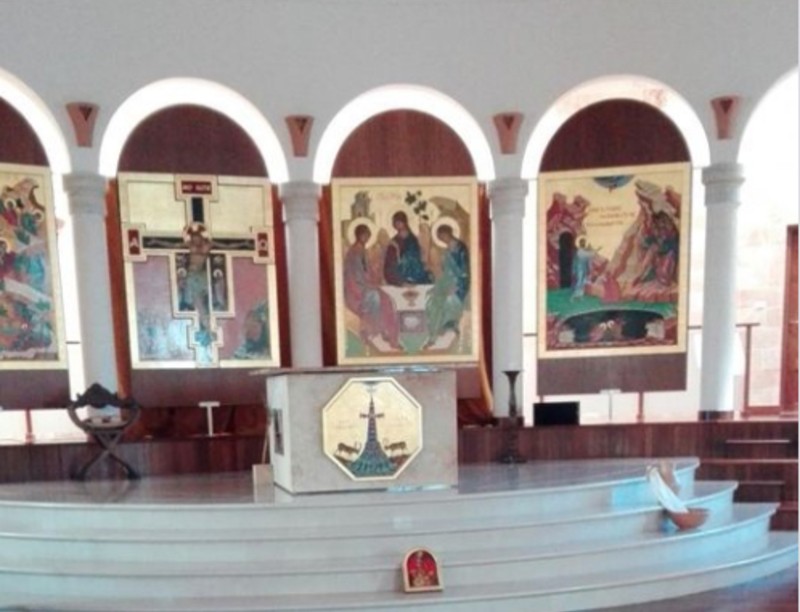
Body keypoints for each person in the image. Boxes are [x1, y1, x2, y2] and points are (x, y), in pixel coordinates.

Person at [343, 223, 402, 350]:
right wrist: (368, 283)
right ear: (359, 235)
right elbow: (355, 275)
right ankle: (371, 331)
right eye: (365, 236)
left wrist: (374, 279)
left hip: (364, 286)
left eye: (368, 236)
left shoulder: (362, 251)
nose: (367, 239)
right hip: (355, 290)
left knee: (387, 299)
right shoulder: (354, 252)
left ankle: (387, 332)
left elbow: (367, 272)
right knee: (376, 297)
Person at [424, 223, 469, 348]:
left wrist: (457, 286)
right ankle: (433, 334)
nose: (442, 239)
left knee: (448, 301)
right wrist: (437, 286)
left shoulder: (461, 248)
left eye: (442, 236)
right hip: (447, 284)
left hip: (460, 287)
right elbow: (445, 273)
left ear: (447, 233)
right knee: (431, 300)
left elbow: (464, 271)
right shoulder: (446, 251)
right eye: (439, 238)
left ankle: (448, 326)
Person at [383, 211, 432, 285]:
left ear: (405, 222)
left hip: (416, 274)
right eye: (395, 222)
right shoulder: (393, 242)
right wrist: (397, 250)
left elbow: (417, 257)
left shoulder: (413, 239)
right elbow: (390, 264)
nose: (397, 223)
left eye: (400, 221)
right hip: (400, 275)